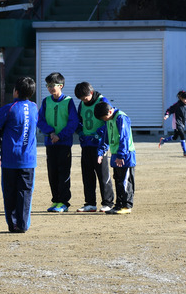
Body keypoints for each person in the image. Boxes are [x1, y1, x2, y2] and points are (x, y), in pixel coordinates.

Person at [0, 77, 38, 233]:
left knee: (9, 192)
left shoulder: (10, 108)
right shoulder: (35, 107)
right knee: (25, 193)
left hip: (10, 158)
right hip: (28, 160)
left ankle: (12, 224)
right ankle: (23, 225)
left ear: (16, 91)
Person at [36, 72, 78, 213]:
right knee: (52, 173)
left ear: (61, 86)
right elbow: (40, 120)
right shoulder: (46, 101)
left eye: (52, 85)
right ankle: (55, 200)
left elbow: (73, 122)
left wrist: (60, 136)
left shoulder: (68, 101)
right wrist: (51, 133)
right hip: (50, 143)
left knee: (63, 173)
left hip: (64, 143)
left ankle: (64, 202)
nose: (50, 88)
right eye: (48, 85)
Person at [74, 82, 114, 213]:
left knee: (103, 175)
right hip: (86, 144)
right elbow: (79, 120)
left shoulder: (102, 101)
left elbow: (109, 120)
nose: (83, 100)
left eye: (84, 97)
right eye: (80, 98)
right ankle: (90, 203)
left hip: (99, 145)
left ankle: (108, 202)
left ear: (91, 93)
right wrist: (80, 132)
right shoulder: (82, 104)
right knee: (87, 175)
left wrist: (99, 134)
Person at [95, 102, 136, 215]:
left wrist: (121, 155)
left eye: (105, 118)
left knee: (126, 181)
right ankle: (118, 204)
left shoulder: (121, 118)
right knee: (117, 180)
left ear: (110, 111)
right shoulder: (108, 120)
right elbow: (106, 137)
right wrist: (101, 152)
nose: (105, 120)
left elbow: (124, 137)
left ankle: (127, 205)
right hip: (115, 155)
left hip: (125, 156)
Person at [159, 90, 186, 156]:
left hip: (182, 123)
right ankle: (185, 152)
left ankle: (163, 140)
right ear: (181, 98)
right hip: (176, 123)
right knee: (182, 135)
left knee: (175, 137)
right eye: (185, 99)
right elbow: (170, 109)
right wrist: (167, 115)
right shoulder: (177, 105)